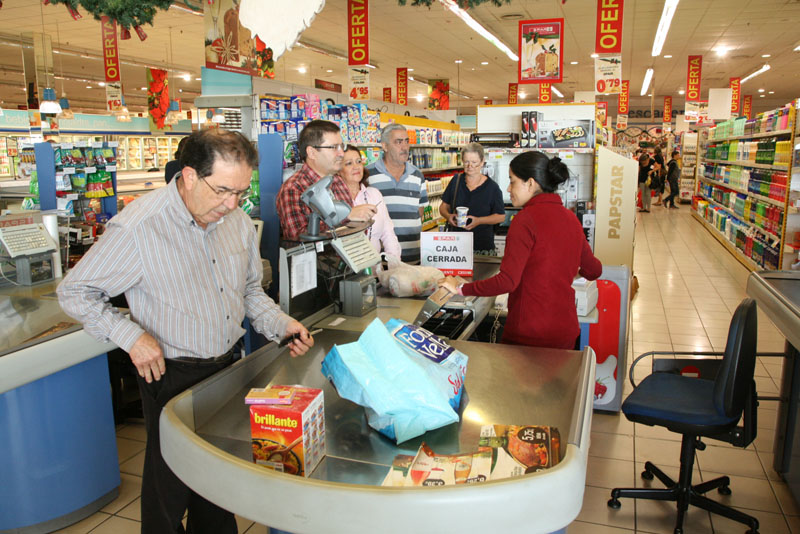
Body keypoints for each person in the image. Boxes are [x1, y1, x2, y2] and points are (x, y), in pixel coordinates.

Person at [57, 129, 315, 534]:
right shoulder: (140, 227)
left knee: (216, 481)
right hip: (170, 374)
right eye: (223, 191)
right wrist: (130, 337)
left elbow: (248, 291)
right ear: (190, 175)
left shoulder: (237, 222)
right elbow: (74, 291)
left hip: (228, 369)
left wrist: (281, 324)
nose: (232, 204)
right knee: (168, 491)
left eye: (241, 193)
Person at [439, 151, 602, 349]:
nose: (508, 188)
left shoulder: (525, 220)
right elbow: (594, 270)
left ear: (530, 183)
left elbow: (507, 281)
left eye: (512, 181)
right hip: (565, 329)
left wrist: (461, 288)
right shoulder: (570, 218)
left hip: (529, 333)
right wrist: (562, 273)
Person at [276, 120, 377, 241]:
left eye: (341, 147)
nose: (341, 153)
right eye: (334, 147)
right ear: (312, 152)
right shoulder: (293, 189)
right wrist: (346, 216)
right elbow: (298, 238)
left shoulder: (338, 181)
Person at [366, 123, 428, 263]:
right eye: (398, 142)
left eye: (407, 141)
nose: (404, 147)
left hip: (413, 256)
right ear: (385, 146)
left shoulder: (417, 175)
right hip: (381, 259)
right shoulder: (368, 175)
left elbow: (419, 211)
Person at [439, 142, 505, 255]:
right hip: (456, 247)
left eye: (474, 162)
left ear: (482, 161)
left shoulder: (492, 187)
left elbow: (500, 216)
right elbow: (443, 207)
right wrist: (448, 216)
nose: (470, 166)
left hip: (482, 246)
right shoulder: (456, 181)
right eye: (466, 162)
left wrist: (479, 221)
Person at [338, 146, 401, 258]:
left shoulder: (374, 194)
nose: (356, 167)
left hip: (375, 269)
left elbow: (388, 233)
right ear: (338, 171)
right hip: (346, 270)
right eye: (349, 163)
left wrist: (394, 262)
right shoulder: (334, 199)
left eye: (358, 162)